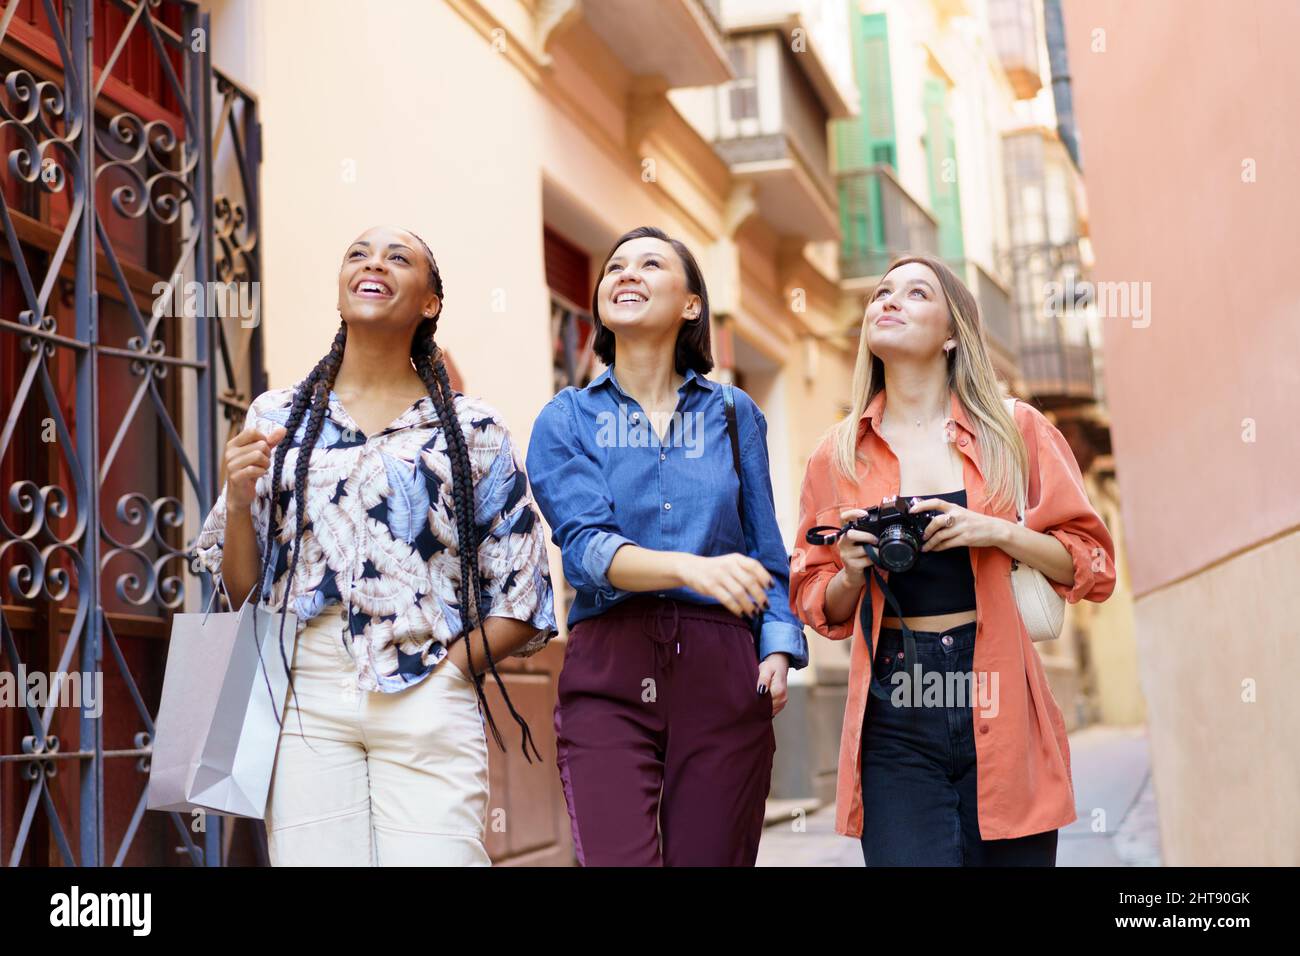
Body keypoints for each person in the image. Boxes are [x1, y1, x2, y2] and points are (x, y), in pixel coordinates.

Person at [191, 224, 556, 866]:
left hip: (427, 685)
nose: (374, 262)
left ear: (430, 303)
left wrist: (451, 674)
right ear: (341, 293)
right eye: (357, 253)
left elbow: (523, 587)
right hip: (304, 688)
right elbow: (246, 590)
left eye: (398, 257)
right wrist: (241, 500)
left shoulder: (474, 430)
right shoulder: (277, 418)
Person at [789, 254, 1116, 866]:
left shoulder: (1015, 431)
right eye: (882, 292)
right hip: (897, 699)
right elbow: (815, 598)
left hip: (999, 690)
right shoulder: (835, 456)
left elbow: (1092, 565)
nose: (888, 300)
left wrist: (997, 532)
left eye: (915, 293)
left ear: (949, 334)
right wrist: (854, 570)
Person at [526, 225, 808, 866]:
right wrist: (691, 568)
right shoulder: (566, 419)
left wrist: (779, 647)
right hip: (609, 666)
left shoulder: (735, 414)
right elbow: (587, 551)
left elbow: (768, 548)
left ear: (690, 304)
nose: (626, 273)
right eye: (615, 266)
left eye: (651, 264)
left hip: (723, 666)